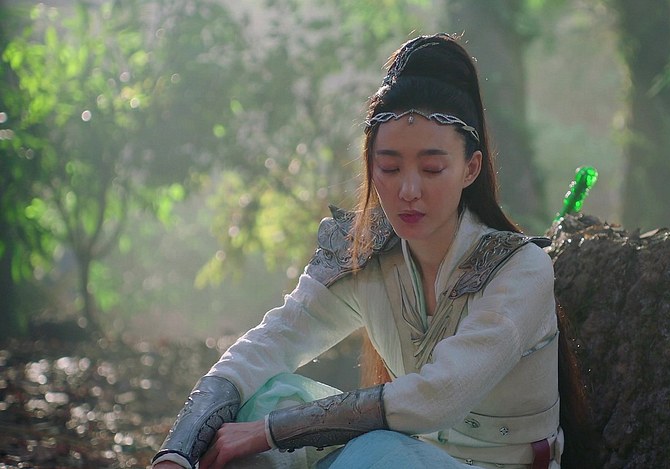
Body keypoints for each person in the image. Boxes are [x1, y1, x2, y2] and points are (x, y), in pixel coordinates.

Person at [153, 33, 571, 469]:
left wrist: (270, 432)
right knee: (259, 399)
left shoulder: (520, 270)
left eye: (431, 168)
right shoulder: (365, 254)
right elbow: (270, 342)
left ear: (471, 168)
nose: (408, 190)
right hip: (407, 454)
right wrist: (177, 451)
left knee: (370, 450)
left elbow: (437, 396)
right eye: (390, 167)